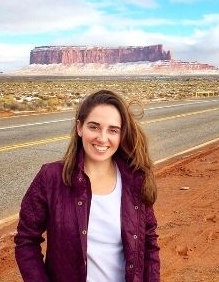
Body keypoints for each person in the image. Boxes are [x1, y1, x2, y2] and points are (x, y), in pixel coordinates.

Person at [15, 89, 160, 282]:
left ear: (121, 134)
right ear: (79, 127)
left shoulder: (135, 180)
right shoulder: (51, 178)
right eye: (94, 127)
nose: (102, 138)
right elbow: (26, 240)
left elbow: (149, 242)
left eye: (113, 130)